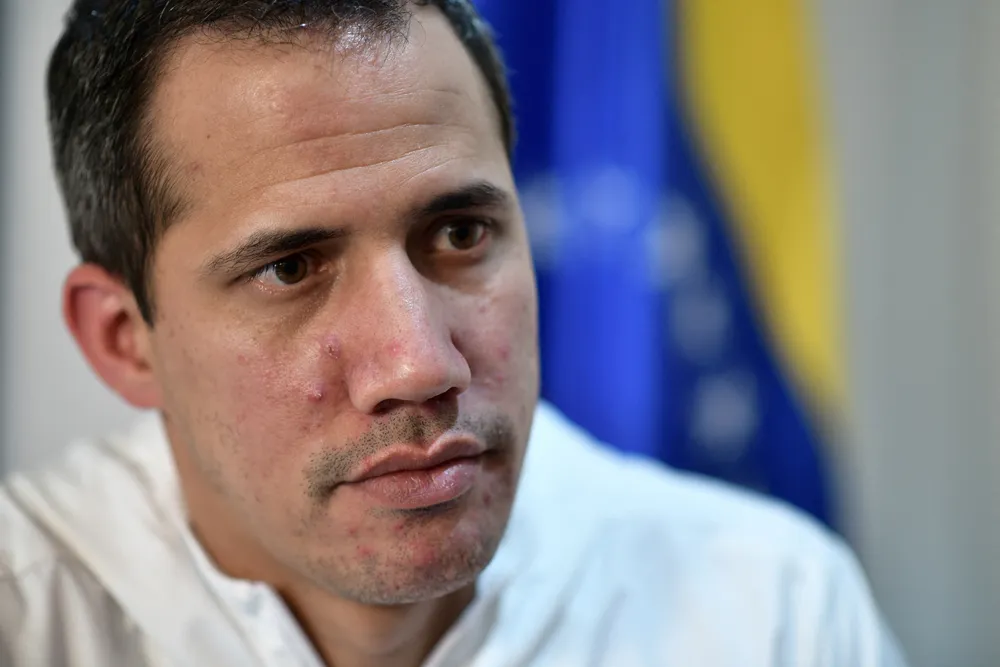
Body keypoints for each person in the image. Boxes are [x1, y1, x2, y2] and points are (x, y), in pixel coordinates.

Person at [0, 1, 907, 665]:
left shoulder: (772, 609)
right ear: (123, 339)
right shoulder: (24, 614)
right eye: (290, 268)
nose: (420, 363)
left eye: (462, 233)